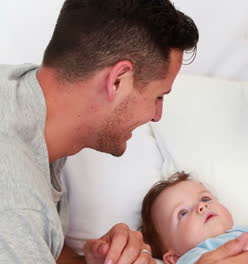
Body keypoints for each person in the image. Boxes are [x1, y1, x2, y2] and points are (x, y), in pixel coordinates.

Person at [0, 0, 206, 263]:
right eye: (158, 96)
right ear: (118, 80)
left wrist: (92, 260)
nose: (157, 114)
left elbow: (35, 242)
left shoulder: (22, 95)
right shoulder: (15, 204)